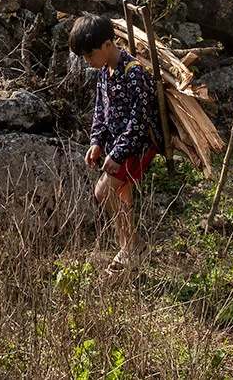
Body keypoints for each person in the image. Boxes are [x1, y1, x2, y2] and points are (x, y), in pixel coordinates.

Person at [69, 14, 162, 273]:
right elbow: (100, 109)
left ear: (108, 44)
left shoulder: (135, 74)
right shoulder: (104, 72)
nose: (88, 62)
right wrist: (97, 142)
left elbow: (140, 120)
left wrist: (119, 153)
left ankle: (134, 244)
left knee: (104, 191)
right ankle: (128, 250)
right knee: (122, 193)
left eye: (90, 55)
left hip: (138, 146)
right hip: (117, 147)